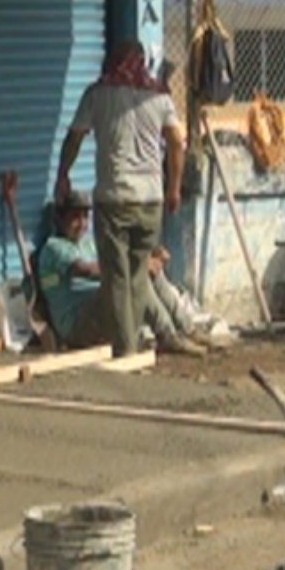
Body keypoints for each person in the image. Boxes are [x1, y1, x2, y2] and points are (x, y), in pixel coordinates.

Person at [54, 39, 187, 356]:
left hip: (114, 199)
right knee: (138, 277)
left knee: (117, 280)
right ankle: (135, 344)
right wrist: (174, 188)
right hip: (150, 201)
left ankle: (126, 350)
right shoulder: (160, 97)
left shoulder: (97, 94)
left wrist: (63, 174)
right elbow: (178, 143)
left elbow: (75, 137)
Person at [38, 191, 211, 355]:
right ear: (60, 220)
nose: (82, 224)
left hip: (101, 309)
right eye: (75, 218)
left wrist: (150, 258)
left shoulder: (87, 244)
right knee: (137, 278)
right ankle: (166, 335)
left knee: (148, 274)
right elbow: (88, 271)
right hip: (77, 324)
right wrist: (139, 268)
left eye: (85, 217)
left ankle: (186, 328)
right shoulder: (54, 247)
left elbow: (117, 261)